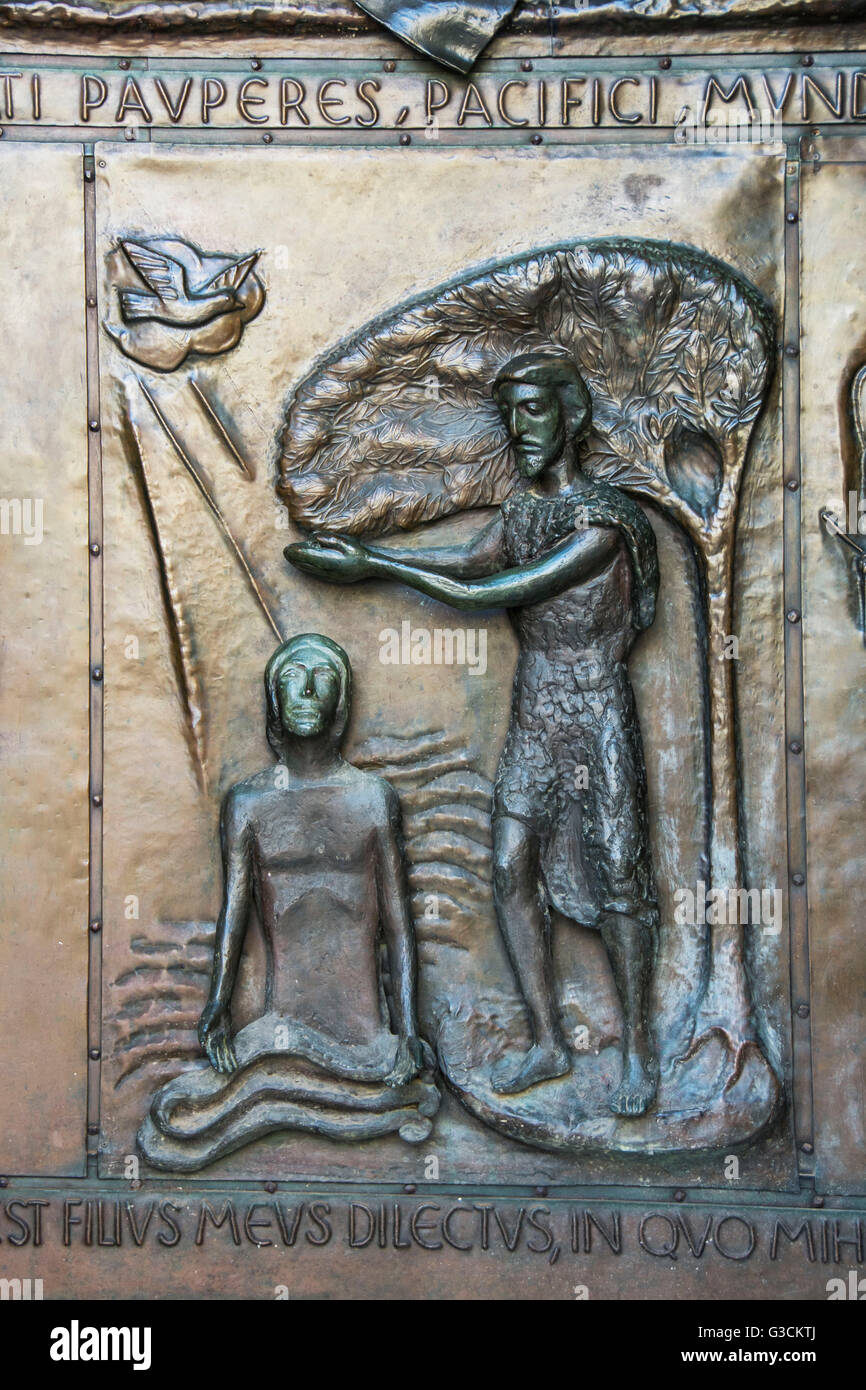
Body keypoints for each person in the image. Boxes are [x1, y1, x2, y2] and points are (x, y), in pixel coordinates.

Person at [286, 351, 660, 1115]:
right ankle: (549, 1040)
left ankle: (641, 1054)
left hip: (595, 711)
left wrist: (373, 569)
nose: (519, 428)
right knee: (509, 865)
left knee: (620, 878)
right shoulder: (522, 515)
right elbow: (464, 557)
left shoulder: (605, 523)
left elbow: (491, 590)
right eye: (510, 412)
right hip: (536, 710)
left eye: (534, 409)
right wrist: (371, 558)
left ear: (573, 415)